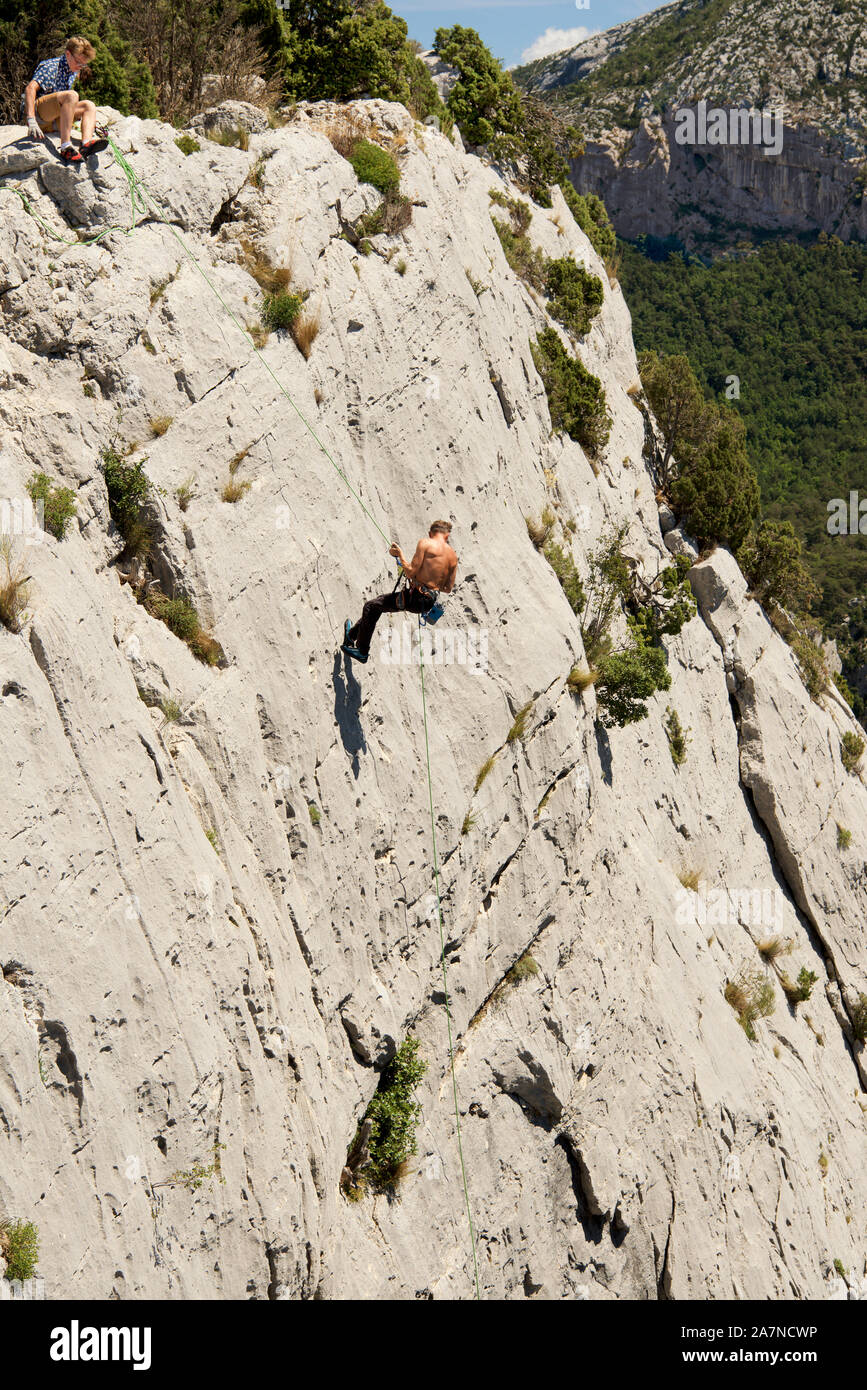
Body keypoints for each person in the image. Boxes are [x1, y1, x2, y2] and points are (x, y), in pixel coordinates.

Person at [342, 521, 458, 665]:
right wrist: (428, 582)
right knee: (378, 604)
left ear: (431, 533)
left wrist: (399, 554)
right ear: (446, 536)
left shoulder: (425, 544)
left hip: (414, 597)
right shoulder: (452, 557)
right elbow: (447, 588)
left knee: (370, 607)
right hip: (427, 603)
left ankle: (362, 651)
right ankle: (352, 636)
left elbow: (410, 572)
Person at [21, 37, 108, 165]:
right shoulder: (51, 67)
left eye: (83, 64)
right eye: (78, 62)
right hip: (39, 116)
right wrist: (31, 119)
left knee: (89, 106)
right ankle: (65, 146)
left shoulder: (72, 71)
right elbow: (30, 89)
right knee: (72, 95)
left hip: (53, 120)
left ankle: (85, 145)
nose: (80, 67)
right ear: (68, 54)